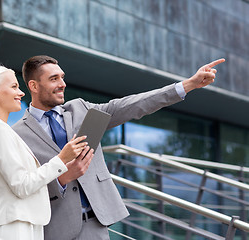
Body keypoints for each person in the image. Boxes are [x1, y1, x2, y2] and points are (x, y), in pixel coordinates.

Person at [12, 55, 225, 240]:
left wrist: (187, 85)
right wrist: (61, 179)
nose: (62, 83)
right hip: (55, 231)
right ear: (33, 86)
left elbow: (132, 105)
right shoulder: (18, 134)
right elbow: (23, 188)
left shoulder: (80, 109)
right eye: (53, 79)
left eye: (62, 77)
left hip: (97, 226)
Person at [0, 66, 94, 240]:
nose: (21, 93)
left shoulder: (0, 130)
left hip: (23, 224)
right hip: (16, 227)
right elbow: (22, 185)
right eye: (13, 87)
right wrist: (61, 159)